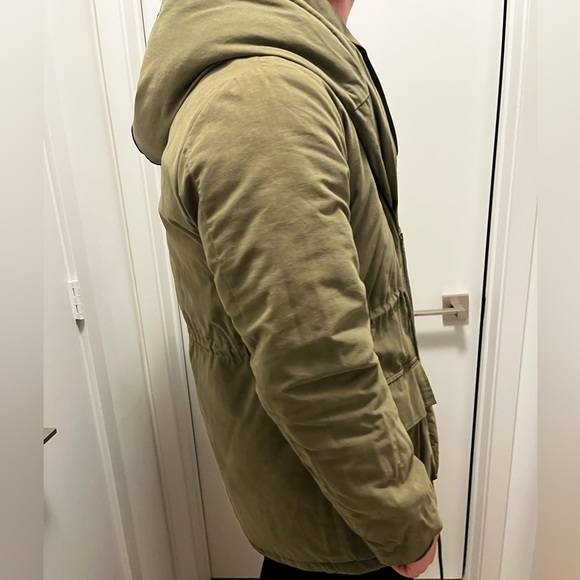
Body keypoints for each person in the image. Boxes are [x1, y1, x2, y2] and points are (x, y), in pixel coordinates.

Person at [133, 0, 443, 578]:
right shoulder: (262, 100)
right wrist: (400, 519)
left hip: (329, 500)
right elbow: (314, 357)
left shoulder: (268, 78)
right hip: (341, 519)